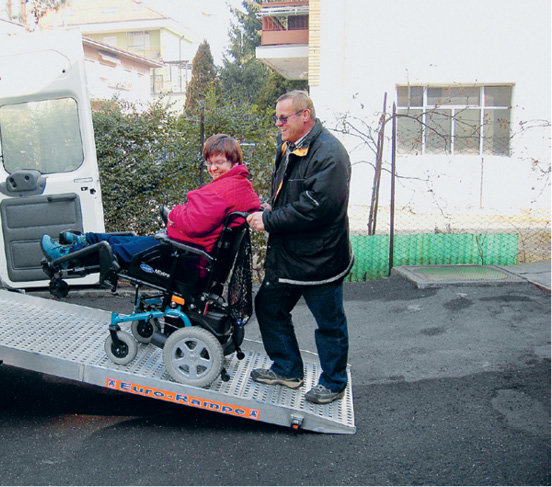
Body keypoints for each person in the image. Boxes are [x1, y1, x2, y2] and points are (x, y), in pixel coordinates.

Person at [247, 90, 353, 405]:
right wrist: (272, 206)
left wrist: (271, 220)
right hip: (290, 255)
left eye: (283, 117)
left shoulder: (329, 154)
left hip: (319, 259)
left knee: (329, 323)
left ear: (305, 115)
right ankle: (288, 370)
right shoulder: (290, 146)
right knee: (268, 307)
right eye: (276, 117)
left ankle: (334, 382)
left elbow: (317, 208)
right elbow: (292, 194)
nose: (278, 123)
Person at [41, 134, 261, 275]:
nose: (213, 168)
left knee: (118, 250)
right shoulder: (240, 186)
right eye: (210, 163)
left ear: (235, 162)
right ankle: (83, 240)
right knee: (128, 240)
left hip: (184, 256)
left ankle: (64, 257)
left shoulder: (225, 190)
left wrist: (175, 212)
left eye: (219, 162)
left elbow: (194, 223)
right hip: (185, 248)